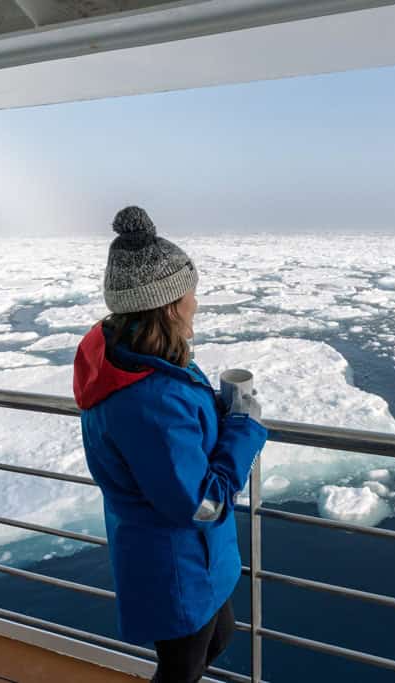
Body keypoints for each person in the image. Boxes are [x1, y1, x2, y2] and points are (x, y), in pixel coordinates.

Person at [73, 206, 268, 682]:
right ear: (167, 305)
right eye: (190, 293)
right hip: (177, 562)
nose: (196, 304)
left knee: (216, 638)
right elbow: (199, 503)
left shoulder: (133, 361)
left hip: (185, 553)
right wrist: (243, 426)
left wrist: (212, 414)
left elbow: (173, 450)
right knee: (182, 668)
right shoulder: (151, 400)